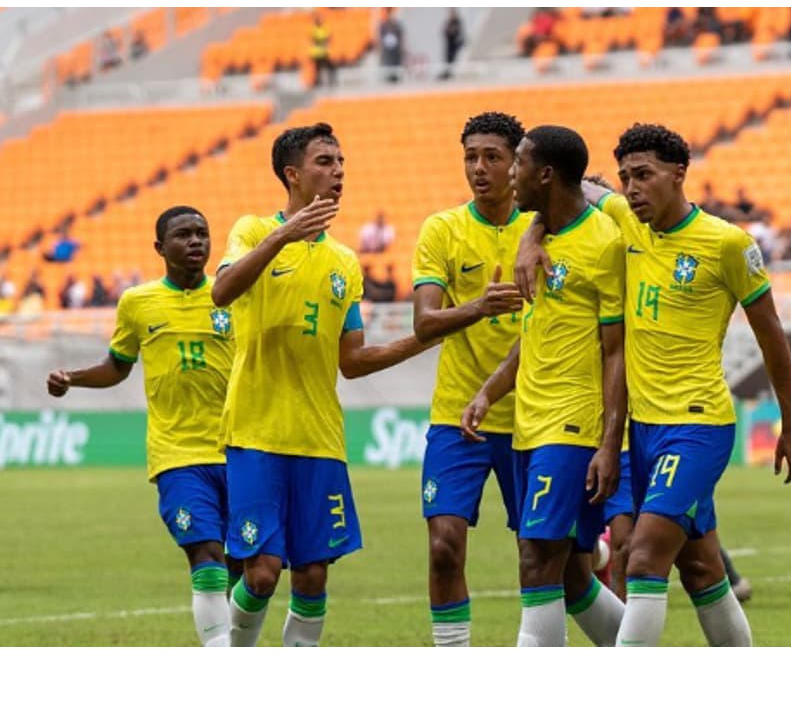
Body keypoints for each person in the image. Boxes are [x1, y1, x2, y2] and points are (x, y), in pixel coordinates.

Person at [516, 123, 791, 647]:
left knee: (644, 555)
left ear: (679, 174)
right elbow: (557, 193)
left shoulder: (727, 244)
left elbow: (772, 336)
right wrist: (530, 238)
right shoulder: (623, 222)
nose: (631, 189)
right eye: (626, 177)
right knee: (701, 570)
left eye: (644, 176)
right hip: (641, 431)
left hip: (697, 425)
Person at [211, 122, 431, 647]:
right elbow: (222, 290)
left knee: (312, 577)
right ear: (292, 174)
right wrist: (283, 234)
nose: (338, 173)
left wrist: (422, 339)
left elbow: (352, 360)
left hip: (320, 440)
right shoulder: (251, 230)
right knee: (261, 574)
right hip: (256, 433)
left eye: (341, 164)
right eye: (325, 162)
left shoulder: (344, 262)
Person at [461, 125, 627, 647]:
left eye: (519, 163)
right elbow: (534, 337)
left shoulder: (605, 242)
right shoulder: (540, 239)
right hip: (529, 423)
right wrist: (489, 391)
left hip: (572, 424)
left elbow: (617, 351)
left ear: (546, 174)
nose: (510, 172)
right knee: (573, 576)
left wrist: (608, 443)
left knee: (536, 559)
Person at [46, 206, 240, 647]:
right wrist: (72, 378)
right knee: (205, 555)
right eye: (184, 235)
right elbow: (117, 366)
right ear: (159, 248)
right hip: (177, 455)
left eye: (203, 234)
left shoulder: (232, 296)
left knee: (242, 566)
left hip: (239, 448)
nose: (196, 242)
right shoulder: (137, 302)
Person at [413, 112, 537, 647]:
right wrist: (478, 307)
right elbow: (424, 322)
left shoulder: (543, 229)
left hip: (532, 417)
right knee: (444, 545)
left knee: (537, 554)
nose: (479, 168)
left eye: (492, 157)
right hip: (456, 415)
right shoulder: (442, 229)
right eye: (471, 156)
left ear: (517, 164)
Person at [378, 9, 405, 83]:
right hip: (387, 50)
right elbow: (380, 38)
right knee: (388, 65)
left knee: (396, 65)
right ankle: (389, 79)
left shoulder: (397, 25)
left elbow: (401, 37)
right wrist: (380, 49)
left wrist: (402, 47)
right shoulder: (383, 25)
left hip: (396, 50)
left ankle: (396, 79)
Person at [309, 14, 335, 88]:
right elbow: (315, 40)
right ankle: (317, 83)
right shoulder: (313, 29)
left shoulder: (324, 28)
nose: (320, 21)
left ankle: (330, 81)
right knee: (318, 69)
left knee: (329, 67)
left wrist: (326, 40)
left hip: (323, 52)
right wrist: (323, 40)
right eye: (319, 19)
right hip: (317, 53)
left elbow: (328, 38)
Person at [439, 8, 464, 80]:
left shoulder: (457, 21)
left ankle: (450, 74)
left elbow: (456, 32)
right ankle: (447, 74)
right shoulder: (449, 22)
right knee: (447, 59)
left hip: (455, 45)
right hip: (449, 45)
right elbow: (445, 31)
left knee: (453, 60)